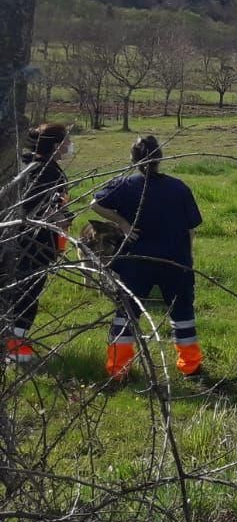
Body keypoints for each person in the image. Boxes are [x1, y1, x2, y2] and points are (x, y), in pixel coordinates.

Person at [90, 135, 206, 380]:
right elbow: (191, 228)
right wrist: (187, 255)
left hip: (134, 262)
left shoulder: (124, 185)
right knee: (182, 315)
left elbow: (95, 203)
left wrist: (123, 224)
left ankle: (117, 371)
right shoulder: (178, 187)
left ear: (133, 159)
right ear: (160, 158)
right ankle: (191, 369)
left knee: (126, 314)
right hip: (175, 261)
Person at [4, 123, 73, 365]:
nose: (69, 146)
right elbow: (40, 208)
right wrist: (63, 219)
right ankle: (16, 352)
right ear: (56, 146)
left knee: (14, 294)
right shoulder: (48, 173)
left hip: (15, 240)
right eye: (66, 141)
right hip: (35, 244)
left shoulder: (25, 164)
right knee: (27, 297)